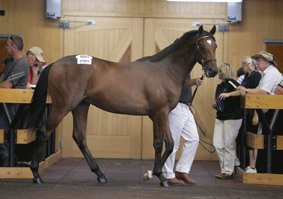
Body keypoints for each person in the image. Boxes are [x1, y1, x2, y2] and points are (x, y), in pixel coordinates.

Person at [239, 51, 283, 174]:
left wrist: (246, 90)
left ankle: (271, 171)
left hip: (275, 111)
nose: (256, 63)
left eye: (259, 61)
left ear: (267, 62)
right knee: (266, 140)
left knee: (272, 141)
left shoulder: (271, 73)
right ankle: (265, 170)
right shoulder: (265, 74)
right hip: (270, 110)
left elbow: (263, 92)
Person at [219, 56, 261, 173]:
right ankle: (239, 160)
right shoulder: (246, 77)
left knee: (253, 138)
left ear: (246, 65)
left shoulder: (256, 76)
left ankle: (252, 166)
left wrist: (256, 114)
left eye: (243, 65)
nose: (242, 67)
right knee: (242, 137)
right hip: (245, 111)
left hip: (252, 111)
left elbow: (259, 96)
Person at [162, 75, 203, 186]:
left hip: (186, 106)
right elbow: (178, 83)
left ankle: (182, 170)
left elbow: (184, 89)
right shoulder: (175, 66)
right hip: (176, 107)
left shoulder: (187, 68)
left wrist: (189, 104)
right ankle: (168, 174)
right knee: (172, 142)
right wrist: (194, 81)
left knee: (194, 139)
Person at [0, 35, 29, 166]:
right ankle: (6, 157)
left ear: (14, 47)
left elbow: (7, 85)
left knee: (3, 129)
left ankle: (7, 158)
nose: (5, 47)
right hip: (6, 103)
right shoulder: (11, 62)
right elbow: (2, 80)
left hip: (13, 105)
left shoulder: (22, 63)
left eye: (7, 45)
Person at [212, 62, 243, 179]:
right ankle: (226, 169)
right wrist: (215, 104)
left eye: (219, 71)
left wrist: (229, 94)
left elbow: (242, 91)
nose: (218, 73)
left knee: (228, 145)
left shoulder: (232, 82)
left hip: (233, 117)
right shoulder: (220, 85)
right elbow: (219, 100)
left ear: (223, 71)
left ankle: (227, 171)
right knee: (217, 144)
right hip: (221, 117)